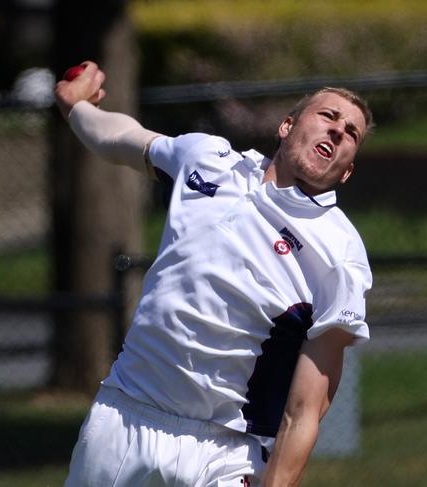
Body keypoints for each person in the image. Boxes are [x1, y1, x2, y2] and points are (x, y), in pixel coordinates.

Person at [54, 61, 374, 487]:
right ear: (286, 126)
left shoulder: (340, 253)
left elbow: (305, 412)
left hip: (223, 452)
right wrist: (78, 109)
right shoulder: (207, 157)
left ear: (347, 171)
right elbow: (125, 138)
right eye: (328, 116)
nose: (337, 130)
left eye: (351, 132)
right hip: (122, 418)